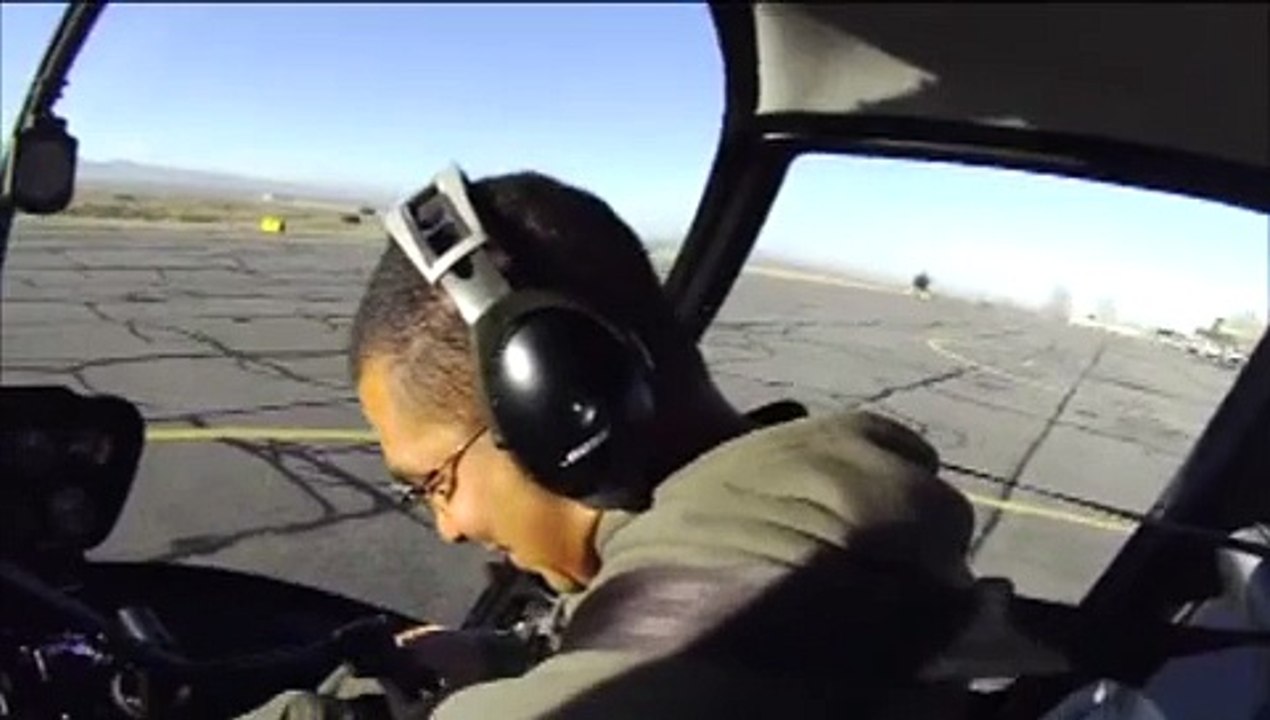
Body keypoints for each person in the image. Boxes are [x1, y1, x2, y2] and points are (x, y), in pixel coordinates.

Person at [242, 169, 976, 719]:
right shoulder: (825, 552)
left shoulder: (676, 672)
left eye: (435, 480)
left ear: (553, 405)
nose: (449, 525)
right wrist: (505, 654)